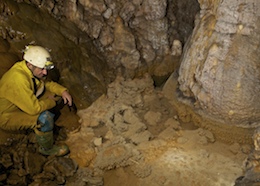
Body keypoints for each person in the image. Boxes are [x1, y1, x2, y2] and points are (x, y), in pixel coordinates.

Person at [0, 45, 74, 156]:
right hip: (6, 115)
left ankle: (43, 129)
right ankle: (46, 149)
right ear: (30, 64)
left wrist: (62, 91)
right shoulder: (18, 79)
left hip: (21, 104)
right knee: (45, 118)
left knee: (54, 95)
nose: (45, 72)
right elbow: (34, 109)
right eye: (42, 69)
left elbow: (46, 83)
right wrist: (51, 102)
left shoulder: (28, 69)